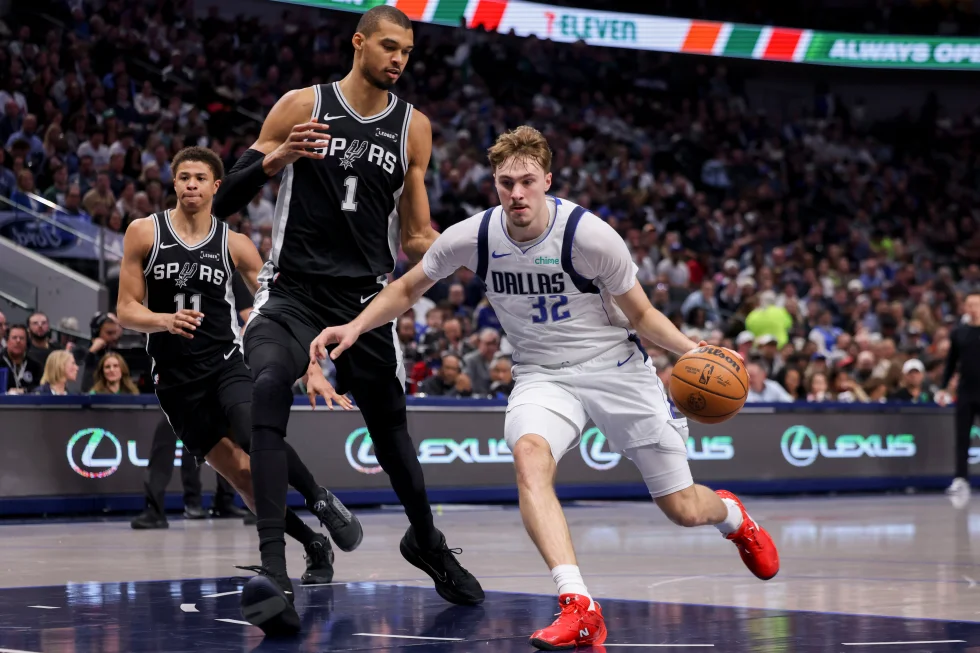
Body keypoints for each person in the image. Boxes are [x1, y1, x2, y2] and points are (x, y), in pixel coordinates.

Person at [311, 126, 779, 650]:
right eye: (506, 182)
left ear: (547, 181)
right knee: (529, 456)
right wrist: (354, 326)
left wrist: (695, 352)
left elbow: (642, 314)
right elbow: (407, 286)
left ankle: (735, 518)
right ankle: (579, 605)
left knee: (684, 509)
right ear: (494, 184)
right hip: (542, 374)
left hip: (616, 368)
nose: (516, 193)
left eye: (526, 181)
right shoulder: (474, 235)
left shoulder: (590, 236)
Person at [211, 6, 484, 634]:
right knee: (267, 390)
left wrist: (468, 249)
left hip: (363, 302)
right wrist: (277, 156)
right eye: (388, 46)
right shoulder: (300, 105)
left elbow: (416, 234)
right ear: (357, 43)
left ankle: (428, 542)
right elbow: (224, 203)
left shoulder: (414, 128)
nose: (398, 60)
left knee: (393, 435)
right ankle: (275, 567)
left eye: (408, 52)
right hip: (291, 293)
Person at [116, 146, 363, 593]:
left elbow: (281, 302)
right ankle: (313, 543)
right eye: (183, 177)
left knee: (257, 434)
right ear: (173, 184)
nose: (191, 184)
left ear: (216, 187)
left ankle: (319, 500)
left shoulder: (234, 243)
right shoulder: (143, 233)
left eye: (199, 178)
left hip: (225, 366)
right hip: (175, 383)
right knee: (248, 479)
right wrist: (162, 320)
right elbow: (125, 310)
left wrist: (308, 363)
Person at [938, 292, 980, 495]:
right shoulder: (959, 333)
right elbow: (951, 363)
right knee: (962, 437)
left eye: (976, 304)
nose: (972, 308)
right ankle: (961, 478)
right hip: (966, 391)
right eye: (969, 304)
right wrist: (943, 387)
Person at [1, 324, 42, 394]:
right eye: (14, 338)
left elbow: (42, 388)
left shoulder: (35, 366)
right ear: (7, 341)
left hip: (28, 403)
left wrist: (25, 390)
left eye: (22, 338)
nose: (18, 341)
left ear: (27, 342)